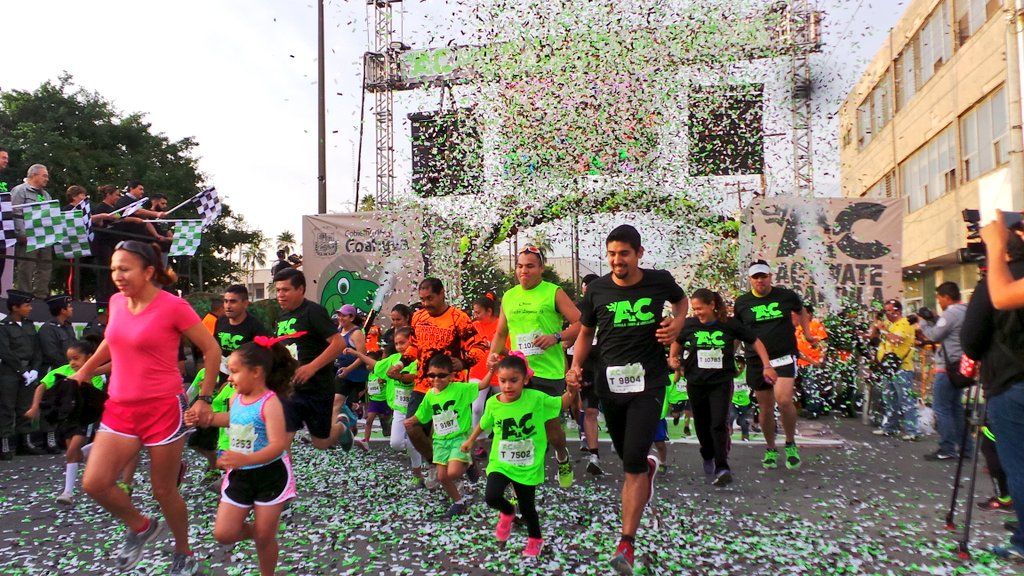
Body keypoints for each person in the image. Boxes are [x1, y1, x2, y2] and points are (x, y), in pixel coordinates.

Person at [70, 240, 220, 576]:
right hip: (120, 408)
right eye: (114, 269)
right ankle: (142, 527)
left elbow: (211, 350)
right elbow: (112, 339)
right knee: (94, 482)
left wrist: (204, 397)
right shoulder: (116, 302)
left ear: (149, 271)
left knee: (163, 490)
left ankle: (184, 551)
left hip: (162, 409)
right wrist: (86, 370)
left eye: (125, 269)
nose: (117, 276)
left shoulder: (173, 306)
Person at [567, 224, 686, 575]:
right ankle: (645, 468)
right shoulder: (597, 290)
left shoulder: (659, 281)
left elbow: (681, 302)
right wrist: (575, 366)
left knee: (632, 460)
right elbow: (586, 332)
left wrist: (678, 323)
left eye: (624, 254)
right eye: (612, 254)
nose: (617, 260)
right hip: (610, 384)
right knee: (626, 456)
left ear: (639, 254)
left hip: (649, 383)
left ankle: (626, 543)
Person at [187, 339, 296, 576]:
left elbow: (278, 445)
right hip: (240, 476)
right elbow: (233, 419)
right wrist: (207, 419)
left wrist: (246, 459)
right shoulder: (236, 397)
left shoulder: (270, 403)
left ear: (256, 372)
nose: (229, 378)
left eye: (234, 372)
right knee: (224, 533)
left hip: (271, 476)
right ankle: (261, 532)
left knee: (265, 539)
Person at [462, 352, 580, 557]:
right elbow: (484, 422)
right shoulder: (494, 402)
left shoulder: (536, 399)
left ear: (525, 379)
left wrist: (571, 389)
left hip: (527, 464)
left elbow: (562, 403)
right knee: (491, 496)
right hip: (501, 462)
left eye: (513, 380)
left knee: (527, 508)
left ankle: (535, 539)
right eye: (503, 381)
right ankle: (508, 511)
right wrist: (471, 440)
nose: (508, 386)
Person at [489, 246, 581, 488]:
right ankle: (519, 478)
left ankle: (562, 455)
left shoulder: (553, 292)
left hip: (548, 372)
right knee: (519, 427)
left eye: (530, 266)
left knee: (551, 429)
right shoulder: (509, 296)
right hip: (519, 374)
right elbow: (501, 333)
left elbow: (580, 324)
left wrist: (556, 337)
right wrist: (493, 356)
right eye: (520, 266)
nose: (524, 271)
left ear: (541, 268)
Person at [670, 288, 776, 486]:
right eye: (694, 309)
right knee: (702, 424)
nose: (697, 313)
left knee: (718, 423)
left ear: (712, 305)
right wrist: (673, 358)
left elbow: (755, 341)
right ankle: (707, 454)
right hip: (696, 382)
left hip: (721, 382)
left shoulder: (729, 324)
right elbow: (677, 342)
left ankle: (722, 467)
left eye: (700, 308)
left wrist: (767, 365)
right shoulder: (690, 324)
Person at [733, 260, 817, 470]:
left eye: (763, 276)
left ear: (770, 277)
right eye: (756, 277)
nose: (760, 280)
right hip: (756, 360)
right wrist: (730, 354)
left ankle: (790, 443)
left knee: (784, 400)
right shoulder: (742, 302)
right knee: (766, 407)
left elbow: (802, 311)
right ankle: (770, 448)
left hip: (783, 356)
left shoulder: (786, 296)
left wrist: (807, 334)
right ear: (750, 279)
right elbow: (738, 331)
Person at [398, 278, 489, 468]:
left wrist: (463, 362)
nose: (425, 303)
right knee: (412, 426)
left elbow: (479, 346)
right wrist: (401, 363)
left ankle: (461, 463)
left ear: (442, 294)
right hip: (423, 385)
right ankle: (436, 462)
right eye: (422, 299)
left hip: (451, 387)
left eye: (430, 298)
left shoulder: (458, 318)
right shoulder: (418, 317)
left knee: (448, 432)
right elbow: (414, 346)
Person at [190, 285, 269, 481]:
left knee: (233, 430)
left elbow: (264, 358)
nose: (227, 305)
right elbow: (214, 352)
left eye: (233, 301)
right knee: (200, 437)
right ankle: (215, 466)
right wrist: (209, 377)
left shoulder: (255, 327)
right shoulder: (221, 322)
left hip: (242, 386)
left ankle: (235, 473)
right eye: (225, 301)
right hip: (219, 379)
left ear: (245, 303)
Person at [24, 335, 108, 505]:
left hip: (82, 419)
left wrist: (85, 380)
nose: (72, 363)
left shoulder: (96, 376)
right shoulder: (61, 371)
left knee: (72, 451)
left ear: (89, 357)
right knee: (73, 454)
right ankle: (70, 488)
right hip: (65, 419)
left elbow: (94, 399)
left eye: (76, 358)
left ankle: (67, 491)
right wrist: (34, 407)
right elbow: (41, 386)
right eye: (69, 359)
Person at [273, 268, 347, 449]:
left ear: (300, 289)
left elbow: (339, 344)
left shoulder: (313, 311)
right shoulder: (281, 316)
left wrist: (311, 367)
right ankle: (284, 469)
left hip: (317, 388)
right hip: (290, 389)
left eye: (285, 290)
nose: (280, 295)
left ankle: (342, 428)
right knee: (282, 440)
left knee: (321, 443)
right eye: (278, 290)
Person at [407, 354, 490, 517]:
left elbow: (483, 385)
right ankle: (458, 502)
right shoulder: (430, 394)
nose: (436, 379)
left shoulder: (461, 389)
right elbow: (423, 414)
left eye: (441, 375)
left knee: (453, 473)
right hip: (440, 441)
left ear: (451, 376)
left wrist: (492, 370)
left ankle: (468, 463)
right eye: (432, 375)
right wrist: (411, 420)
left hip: (459, 438)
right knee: (442, 476)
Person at [347, 329, 419, 474]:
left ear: (412, 341)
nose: (399, 347)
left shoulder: (418, 359)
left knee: (413, 442)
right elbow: (377, 365)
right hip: (399, 408)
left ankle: (418, 472)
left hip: (417, 408)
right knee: (396, 443)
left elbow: (414, 377)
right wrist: (358, 354)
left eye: (403, 343)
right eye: (396, 344)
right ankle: (421, 448)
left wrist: (399, 376)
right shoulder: (393, 359)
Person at [916, 282, 970, 461]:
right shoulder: (966, 311)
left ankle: (947, 448)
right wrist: (934, 319)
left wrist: (923, 323)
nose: (938, 301)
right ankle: (966, 448)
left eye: (939, 298)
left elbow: (934, 335)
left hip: (947, 368)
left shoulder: (951, 313)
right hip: (959, 367)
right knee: (956, 409)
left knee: (941, 408)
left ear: (947, 297)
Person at [869, 300, 921, 441]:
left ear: (897, 311)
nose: (886, 313)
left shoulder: (905, 323)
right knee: (890, 399)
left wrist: (883, 330)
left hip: (902, 368)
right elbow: (872, 338)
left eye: (889, 310)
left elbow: (896, 340)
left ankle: (912, 430)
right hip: (888, 367)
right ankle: (890, 427)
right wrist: (877, 325)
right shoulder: (890, 324)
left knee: (905, 399)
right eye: (885, 311)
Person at [0, 289, 43, 459]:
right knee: (7, 408)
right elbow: (5, 351)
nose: (30, 308)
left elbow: (37, 350)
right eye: (27, 305)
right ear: (15, 307)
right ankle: (5, 443)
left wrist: (34, 369)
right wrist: (22, 371)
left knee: (25, 407)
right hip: (9, 372)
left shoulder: (29, 325)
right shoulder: (4, 326)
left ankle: (25, 442)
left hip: (29, 371)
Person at [10, 164, 53, 296]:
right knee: (26, 266)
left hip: (44, 237)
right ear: (34, 175)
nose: (47, 179)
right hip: (28, 236)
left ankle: (41, 295)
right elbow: (15, 212)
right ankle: (24, 295)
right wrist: (21, 233)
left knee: (45, 265)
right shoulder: (20, 190)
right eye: (44, 176)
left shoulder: (46, 195)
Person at [333, 303, 369, 449]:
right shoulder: (339, 329)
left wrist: (349, 369)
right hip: (342, 373)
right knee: (336, 403)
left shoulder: (356, 333)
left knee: (344, 404)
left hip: (356, 376)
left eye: (343, 316)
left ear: (352, 317)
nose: (340, 318)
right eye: (339, 315)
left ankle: (349, 427)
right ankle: (334, 434)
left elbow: (362, 356)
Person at [795, 305, 829, 419]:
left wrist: (821, 359)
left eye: (804, 313)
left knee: (811, 386)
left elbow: (824, 344)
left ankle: (814, 410)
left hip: (813, 362)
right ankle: (807, 408)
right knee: (804, 387)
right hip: (800, 361)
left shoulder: (816, 324)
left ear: (810, 314)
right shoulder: (798, 325)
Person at [38, 294, 77, 374]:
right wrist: (69, 365)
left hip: (69, 368)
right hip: (55, 370)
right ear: (62, 310)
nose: (72, 309)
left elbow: (75, 346)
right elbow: (52, 354)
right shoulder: (48, 328)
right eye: (69, 307)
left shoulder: (68, 326)